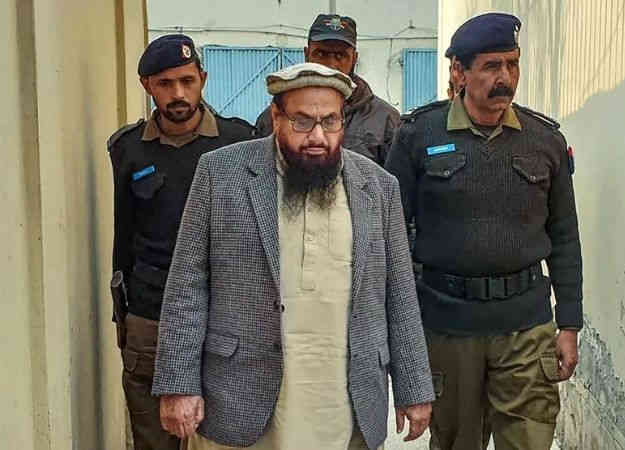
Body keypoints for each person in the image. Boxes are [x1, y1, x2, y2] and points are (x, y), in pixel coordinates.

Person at [150, 63, 434, 450]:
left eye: (330, 121)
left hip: (344, 400)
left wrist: (414, 388)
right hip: (241, 397)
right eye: (302, 121)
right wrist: (178, 385)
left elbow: (399, 294)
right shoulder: (220, 173)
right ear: (276, 117)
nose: (317, 136)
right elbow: (186, 286)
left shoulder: (378, 186)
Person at [385, 13, 583, 450]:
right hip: (448, 327)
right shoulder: (419, 136)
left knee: (530, 441)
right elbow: (391, 238)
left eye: (512, 64)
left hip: (526, 326)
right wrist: (401, 337)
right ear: (459, 71)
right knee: (457, 442)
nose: (505, 77)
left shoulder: (544, 140)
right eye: (492, 66)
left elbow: (565, 236)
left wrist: (569, 323)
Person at [107, 34, 255, 450]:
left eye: (187, 81)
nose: (178, 94)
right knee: (155, 441)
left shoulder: (239, 142)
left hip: (225, 320)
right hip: (151, 318)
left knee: (228, 440)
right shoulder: (128, 150)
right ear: (146, 85)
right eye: (165, 83)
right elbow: (123, 238)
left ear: (203, 80)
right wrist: (126, 316)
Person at [255, 14, 399, 166]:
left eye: (340, 55)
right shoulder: (275, 117)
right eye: (321, 54)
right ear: (306, 54)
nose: (330, 65)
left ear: (354, 59)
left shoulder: (385, 120)